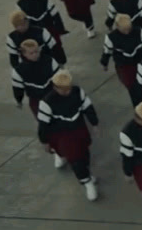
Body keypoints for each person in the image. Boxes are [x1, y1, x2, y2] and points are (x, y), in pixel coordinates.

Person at [37, 70, 100, 200]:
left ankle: (86, 173)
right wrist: (44, 141)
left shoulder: (78, 92)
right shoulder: (46, 103)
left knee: (84, 154)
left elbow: (88, 107)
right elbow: (43, 125)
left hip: (79, 129)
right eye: (63, 89)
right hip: (61, 134)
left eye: (68, 88)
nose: (67, 92)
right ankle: (87, 182)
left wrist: (94, 123)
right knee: (75, 159)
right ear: (55, 87)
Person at [11, 39, 61, 119]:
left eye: (36, 51)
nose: (35, 54)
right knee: (43, 121)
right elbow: (17, 88)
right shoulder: (19, 70)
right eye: (31, 53)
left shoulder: (50, 60)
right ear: (24, 54)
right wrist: (19, 100)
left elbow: (60, 77)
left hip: (54, 96)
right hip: (36, 100)